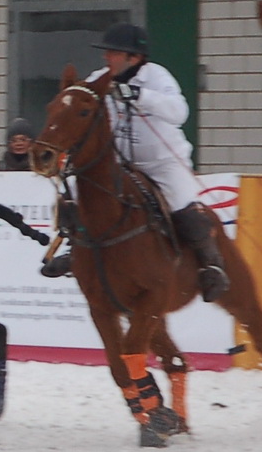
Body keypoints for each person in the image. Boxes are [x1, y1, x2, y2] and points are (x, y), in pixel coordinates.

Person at [43, 23, 228, 301]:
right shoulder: (102, 77)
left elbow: (179, 112)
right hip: (120, 160)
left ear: (134, 57)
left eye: (113, 53)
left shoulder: (156, 77)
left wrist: (141, 96)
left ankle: (211, 266)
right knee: (80, 195)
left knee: (183, 208)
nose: (107, 57)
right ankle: (75, 249)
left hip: (162, 162)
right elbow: (83, 96)